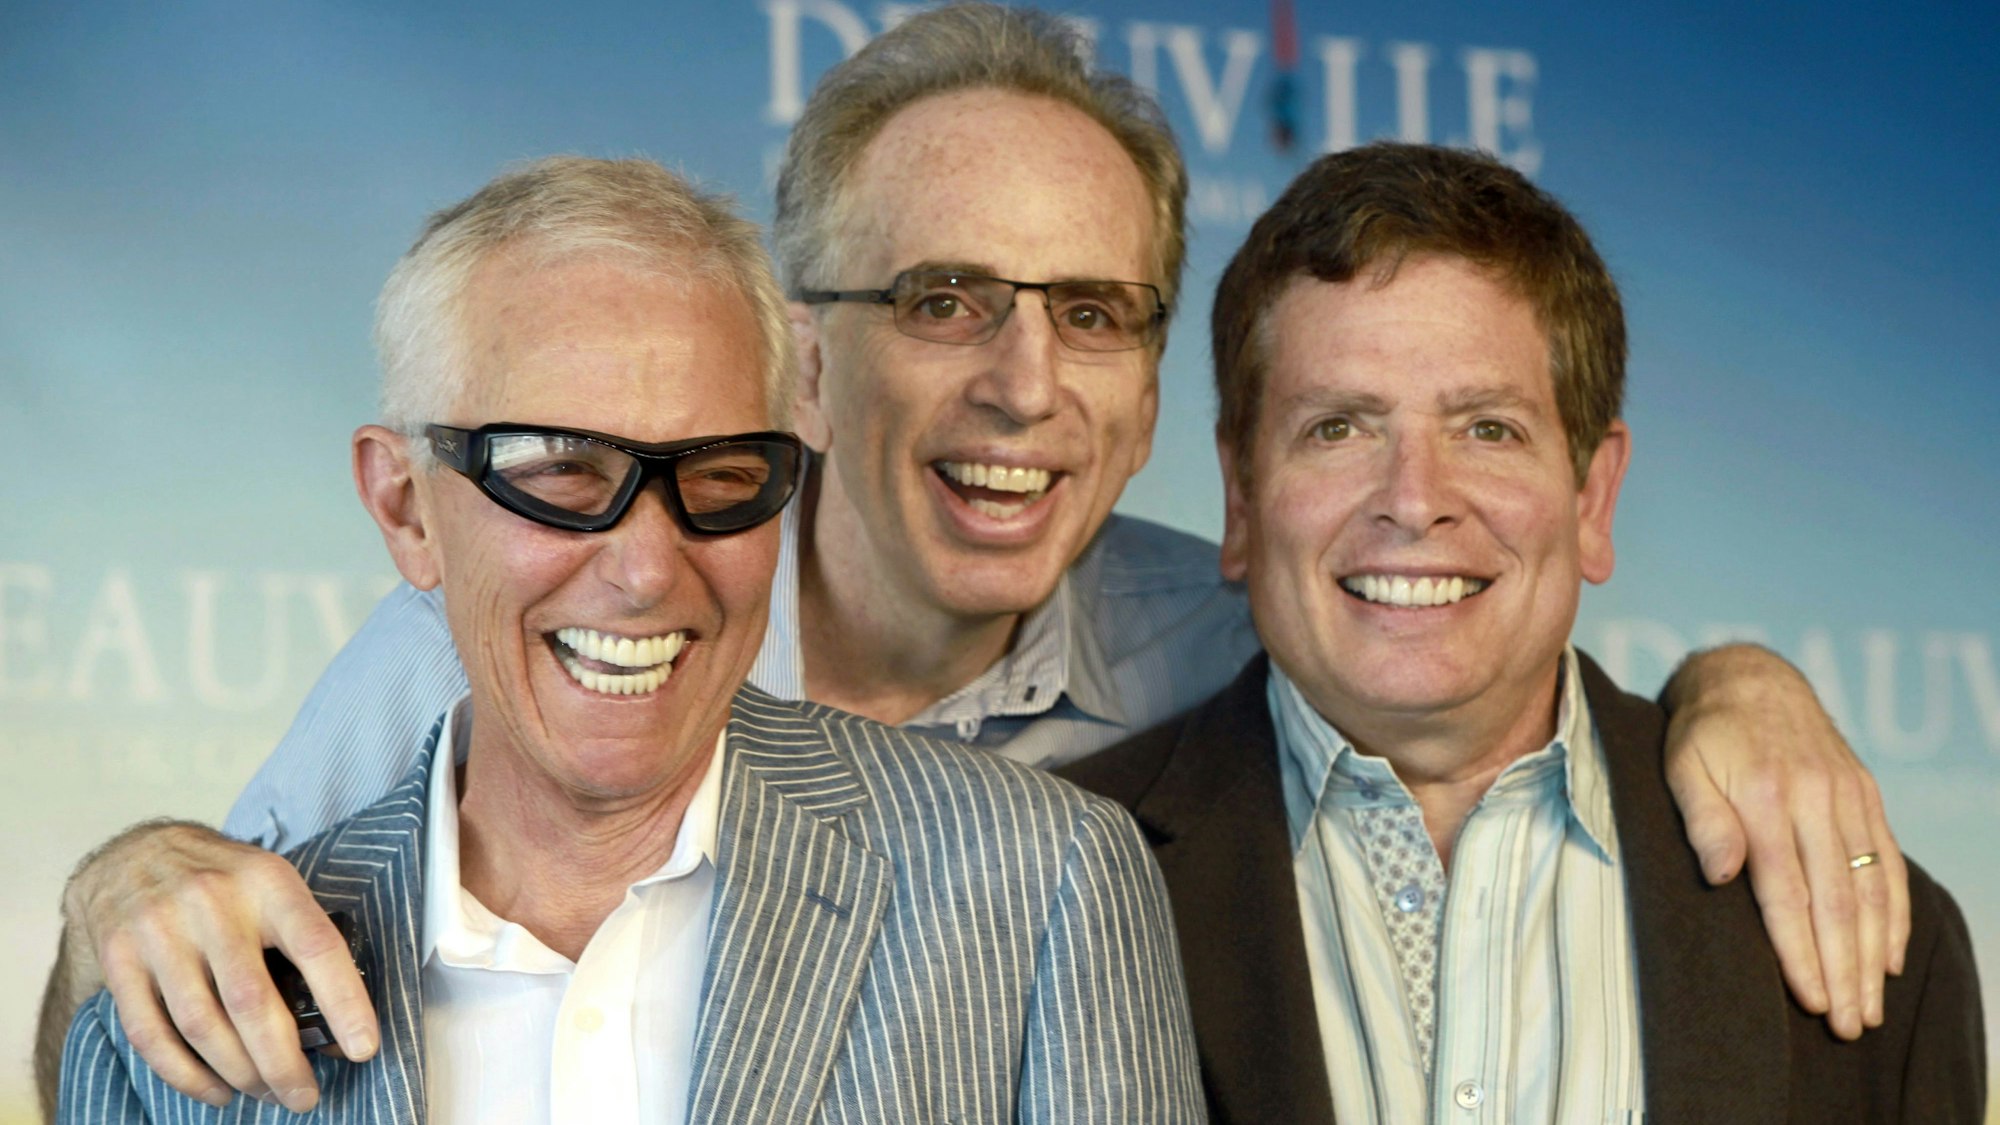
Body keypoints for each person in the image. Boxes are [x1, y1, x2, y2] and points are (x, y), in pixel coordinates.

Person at [36, 4, 1909, 1115]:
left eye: (1092, 313)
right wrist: (120, 887)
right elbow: (144, 1029)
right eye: (945, 299)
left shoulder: (1231, 638)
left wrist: (1733, 690)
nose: (1025, 384)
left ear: (1156, 390)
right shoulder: (485, 647)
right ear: (803, 355)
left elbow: (1477, 661)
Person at [58, 156, 1204, 1123]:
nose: (650, 568)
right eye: (562, 473)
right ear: (405, 508)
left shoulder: (1044, 884)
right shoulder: (167, 1014)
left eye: (724, 477)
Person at [1062, 142, 1986, 1123]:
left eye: (1487, 428)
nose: (1413, 499)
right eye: (1338, 427)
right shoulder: (1050, 884)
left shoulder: (1867, 932)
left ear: (1592, 498)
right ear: (1241, 497)